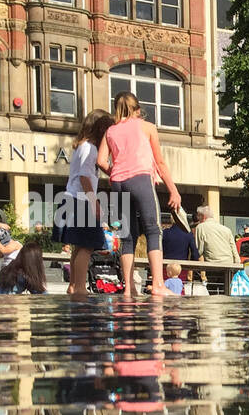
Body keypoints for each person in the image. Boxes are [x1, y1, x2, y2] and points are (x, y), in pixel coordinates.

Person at [102, 92, 181, 299]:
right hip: (141, 180)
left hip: (118, 184)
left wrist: (118, 173)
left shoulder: (110, 131)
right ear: (137, 109)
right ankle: (157, 284)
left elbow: (101, 161)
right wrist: (173, 190)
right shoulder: (147, 127)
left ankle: (129, 288)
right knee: (154, 231)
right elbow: (160, 163)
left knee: (127, 237)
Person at [61, 109, 114, 295]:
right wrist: (95, 203)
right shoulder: (90, 149)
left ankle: (74, 285)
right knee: (87, 245)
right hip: (81, 200)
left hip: (73, 198)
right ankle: (80, 286)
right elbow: (84, 177)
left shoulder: (81, 147)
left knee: (78, 245)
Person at [193, 205, 240, 293]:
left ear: (203, 216)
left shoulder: (201, 227)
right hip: (228, 265)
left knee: (212, 291)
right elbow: (233, 249)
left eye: (198, 215)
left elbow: (199, 250)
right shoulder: (226, 229)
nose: (197, 218)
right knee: (226, 292)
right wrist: (237, 264)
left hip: (213, 265)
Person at [160, 210, 197, 282]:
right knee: (179, 288)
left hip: (166, 267)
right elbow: (194, 253)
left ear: (171, 219)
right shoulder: (188, 234)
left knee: (165, 286)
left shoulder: (164, 233)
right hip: (181, 268)